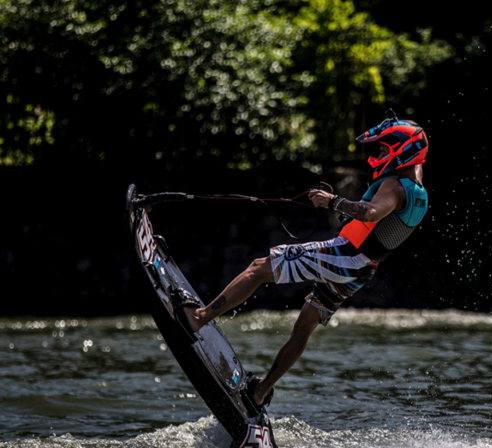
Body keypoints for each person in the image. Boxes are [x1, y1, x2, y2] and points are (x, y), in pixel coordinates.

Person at [176, 109, 429, 407]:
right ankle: (260, 392)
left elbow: (371, 212)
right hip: (362, 269)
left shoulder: (394, 186)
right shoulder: (417, 186)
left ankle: (199, 318)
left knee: (259, 268)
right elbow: (414, 159)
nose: (379, 153)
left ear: (403, 150)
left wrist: (331, 200)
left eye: (385, 147)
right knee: (305, 325)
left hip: (344, 255)